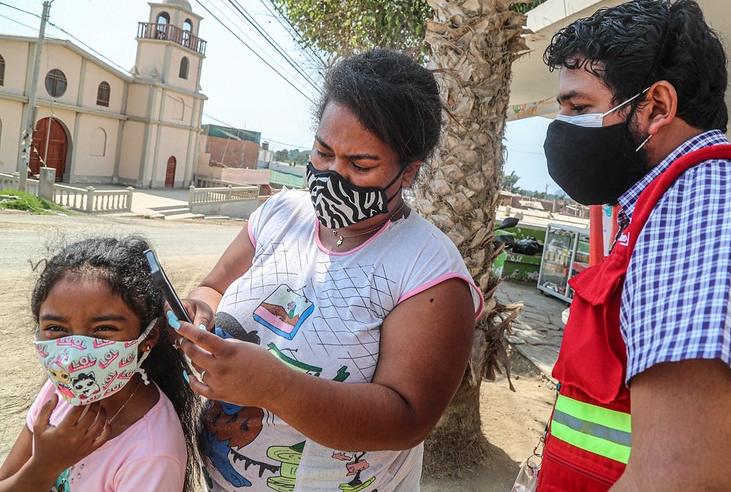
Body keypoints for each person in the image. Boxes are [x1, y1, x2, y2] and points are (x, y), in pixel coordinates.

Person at [168, 48, 483, 491]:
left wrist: (276, 388)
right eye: (323, 152)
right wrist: (199, 310)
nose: (333, 175)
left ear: (408, 173)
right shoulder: (280, 214)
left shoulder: (427, 271)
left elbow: (408, 418)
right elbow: (213, 287)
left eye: (361, 165)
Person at [536, 0, 731, 490]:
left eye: (579, 107)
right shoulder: (663, 207)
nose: (563, 127)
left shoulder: (706, 202)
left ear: (656, 106)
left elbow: (683, 481)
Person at [0, 236, 202, 491]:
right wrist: (42, 466)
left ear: (148, 336)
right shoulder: (57, 394)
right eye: (56, 328)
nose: (75, 353)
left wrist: (44, 468)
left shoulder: (150, 452)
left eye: (103, 329)